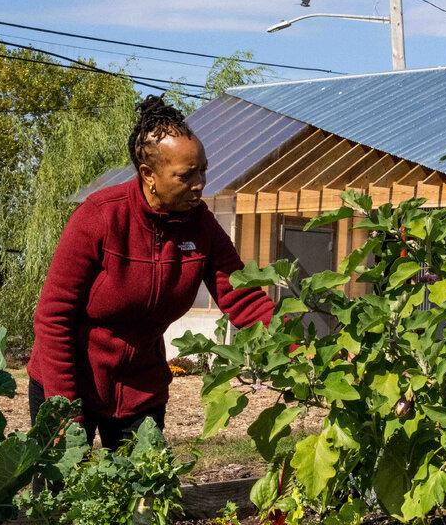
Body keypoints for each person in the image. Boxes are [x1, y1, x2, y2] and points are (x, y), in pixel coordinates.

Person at [27, 95, 275, 447]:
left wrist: (303, 349)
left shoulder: (201, 226)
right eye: (186, 175)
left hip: (141, 392)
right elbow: (53, 318)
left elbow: (244, 298)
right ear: (149, 174)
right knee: (60, 497)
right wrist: (63, 409)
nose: (200, 183)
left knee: (143, 496)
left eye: (203, 170)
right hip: (70, 382)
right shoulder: (99, 217)